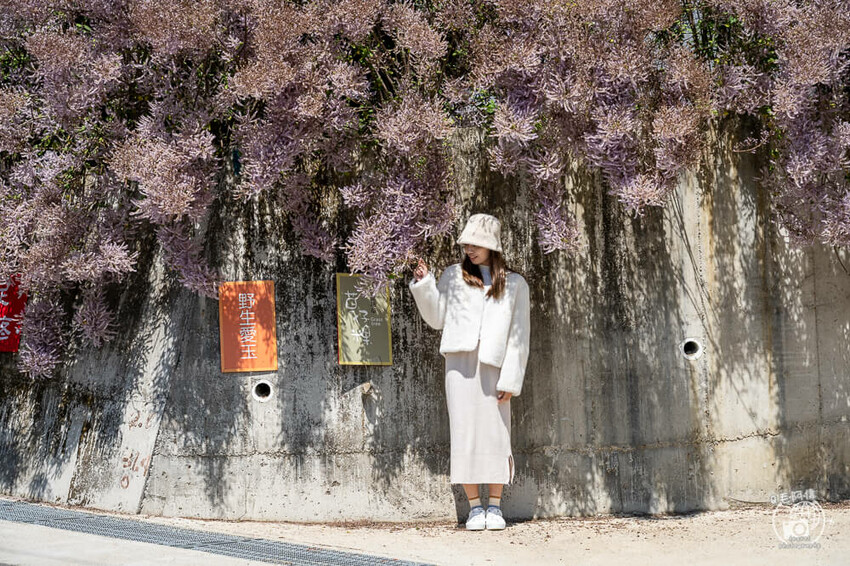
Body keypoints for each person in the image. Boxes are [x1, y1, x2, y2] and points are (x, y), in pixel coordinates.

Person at [408, 212, 531, 531]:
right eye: (467, 244)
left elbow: (520, 336)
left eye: (477, 244)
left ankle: (496, 507)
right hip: (459, 368)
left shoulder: (515, 284)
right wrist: (424, 284)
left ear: (492, 246)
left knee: (497, 434)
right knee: (464, 434)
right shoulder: (452, 275)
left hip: (495, 368)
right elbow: (436, 318)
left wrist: (512, 379)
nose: (470, 249)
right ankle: (475, 507)